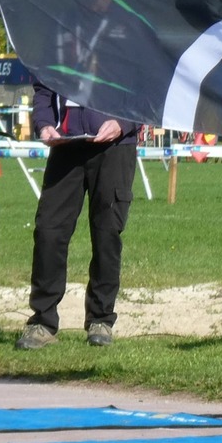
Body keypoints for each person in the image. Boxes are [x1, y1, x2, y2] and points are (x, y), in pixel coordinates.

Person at [15, 77, 142, 349]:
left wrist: (123, 123)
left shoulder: (131, 47)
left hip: (115, 147)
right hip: (66, 146)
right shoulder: (58, 49)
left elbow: (145, 90)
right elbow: (43, 89)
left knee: (107, 233)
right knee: (48, 231)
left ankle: (101, 320)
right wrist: (44, 124)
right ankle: (42, 322)